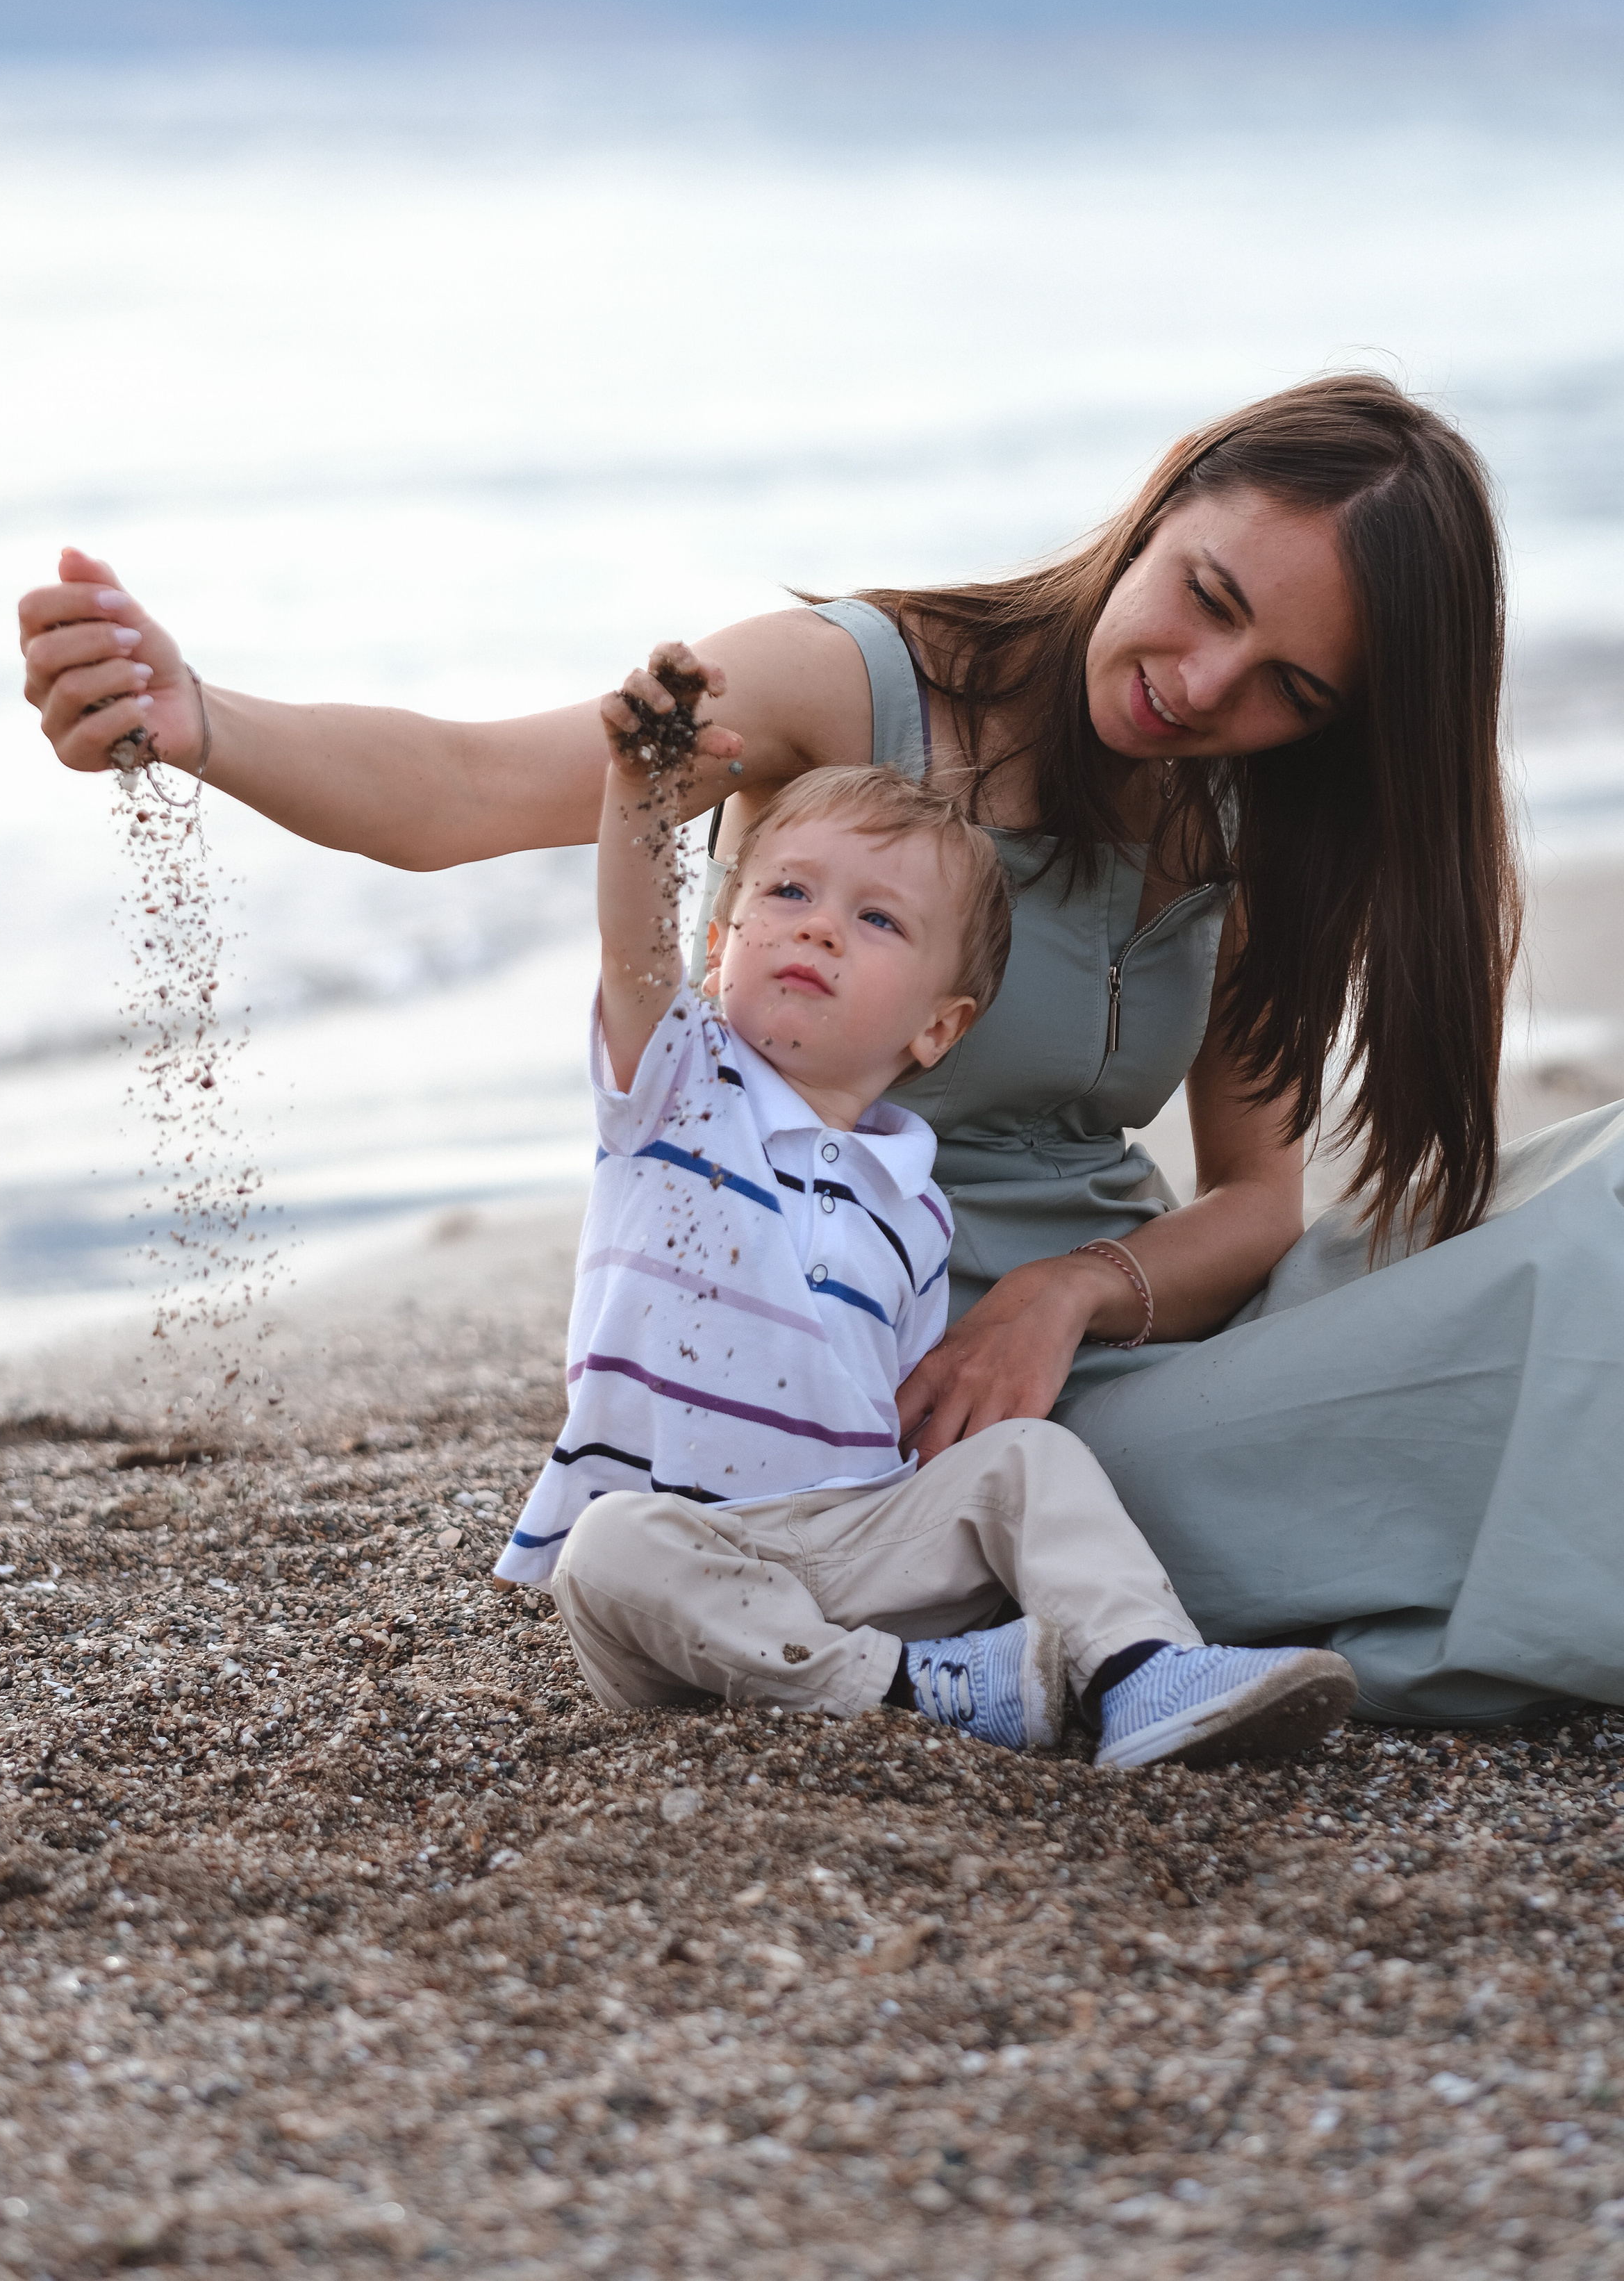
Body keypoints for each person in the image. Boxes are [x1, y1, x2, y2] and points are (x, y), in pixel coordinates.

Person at [18, 372, 1624, 1728]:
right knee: (1482, 1394)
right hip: (911, 1414)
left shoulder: (1245, 816)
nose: (1200, 688)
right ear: (1162, 503)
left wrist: (1068, 1292)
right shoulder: (854, 689)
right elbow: (465, 789)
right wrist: (199, 717)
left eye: (1286, 689)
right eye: (1206, 598)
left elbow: (1258, 1205)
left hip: (1123, 1324)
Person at [502, 643, 1355, 1769]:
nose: (817, 927)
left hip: (851, 1543)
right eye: (790, 893)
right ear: (719, 947)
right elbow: (631, 939)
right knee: (607, 1547)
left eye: (878, 921)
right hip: (684, 1568)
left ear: (939, 1028)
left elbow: (895, 1414)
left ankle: (1143, 1667)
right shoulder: (678, 1090)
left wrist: (932, 1531)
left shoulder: (913, 1202)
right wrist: (639, 790)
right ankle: (906, 1692)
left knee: (1029, 1462)